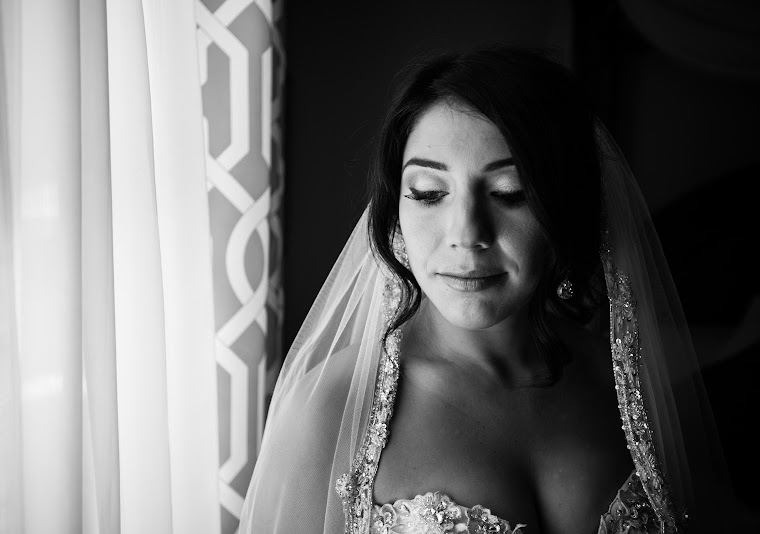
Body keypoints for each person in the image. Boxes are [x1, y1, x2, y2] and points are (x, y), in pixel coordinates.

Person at [238, 45, 749, 533]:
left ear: (566, 210)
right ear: (395, 209)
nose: (466, 234)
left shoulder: (623, 380)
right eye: (429, 193)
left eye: (510, 193)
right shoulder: (331, 409)